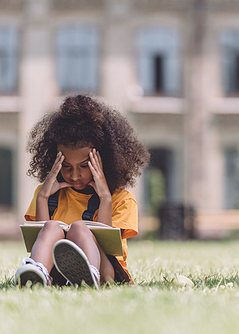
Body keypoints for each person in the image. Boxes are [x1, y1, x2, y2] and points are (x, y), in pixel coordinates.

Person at [14, 95, 149, 288]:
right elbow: (39, 239)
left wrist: (105, 199)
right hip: (59, 275)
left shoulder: (122, 199)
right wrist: (43, 198)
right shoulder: (46, 194)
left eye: (84, 166)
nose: (74, 175)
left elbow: (108, 246)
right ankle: (38, 273)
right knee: (51, 227)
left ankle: (89, 274)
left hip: (104, 272)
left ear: (103, 160)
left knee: (79, 228)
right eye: (66, 166)